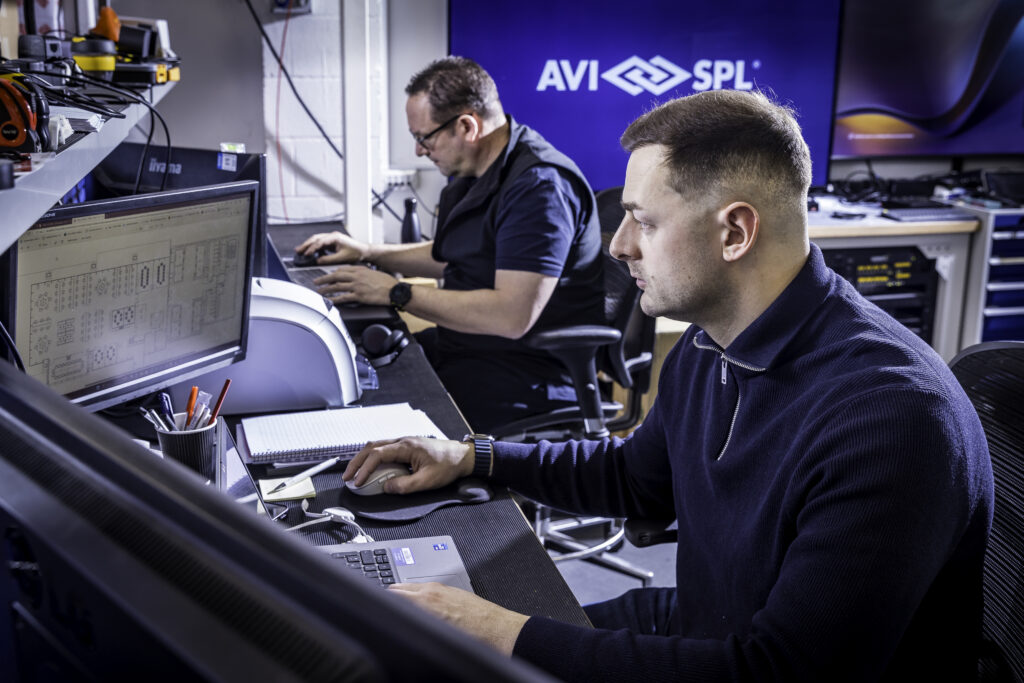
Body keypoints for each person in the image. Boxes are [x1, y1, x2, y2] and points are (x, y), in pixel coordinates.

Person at [340, 89, 995, 682]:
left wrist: (501, 631)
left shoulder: (891, 420)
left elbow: (777, 672)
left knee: (484, 639)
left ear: (734, 232)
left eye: (643, 221)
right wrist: (471, 456)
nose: (620, 246)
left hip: (748, 663)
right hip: (707, 627)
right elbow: (635, 474)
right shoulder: (711, 344)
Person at [297, 56, 604, 433]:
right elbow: (451, 256)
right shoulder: (476, 171)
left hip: (523, 372)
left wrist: (396, 293)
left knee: (372, 418)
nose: (419, 151)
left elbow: (511, 315)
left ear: (466, 126)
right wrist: (368, 251)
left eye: (424, 137)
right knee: (350, 371)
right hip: (470, 348)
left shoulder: (539, 188)